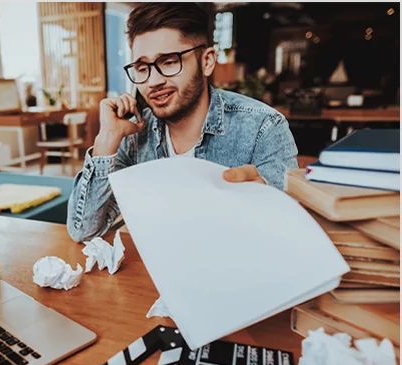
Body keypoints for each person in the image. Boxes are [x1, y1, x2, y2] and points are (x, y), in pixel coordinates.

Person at [67, 2, 298, 243]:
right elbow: (83, 230)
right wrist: (106, 140)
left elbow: (288, 230)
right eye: (142, 67)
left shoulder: (264, 127)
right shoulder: (134, 136)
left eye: (168, 62)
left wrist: (268, 204)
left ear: (207, 61)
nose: (153, 81)